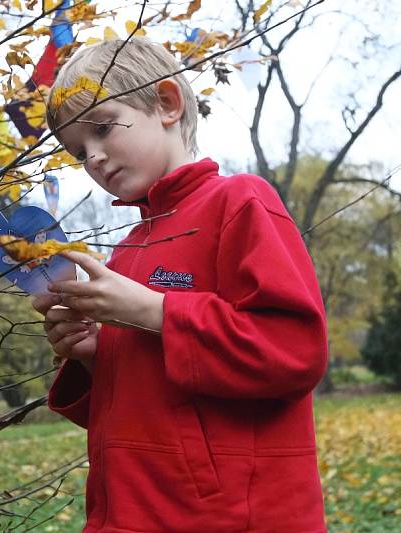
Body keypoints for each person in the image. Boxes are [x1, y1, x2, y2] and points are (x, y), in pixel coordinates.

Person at [33, 38, 328, 532]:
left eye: (103, 129)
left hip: (228, 518)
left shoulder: (239, 202)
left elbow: (295, 353)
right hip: (129, 513)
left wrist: (154, 311)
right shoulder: (125, 251)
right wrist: (95, 354)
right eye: (79, 151)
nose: (95, 158)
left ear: (167, 104)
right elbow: (149, 413)